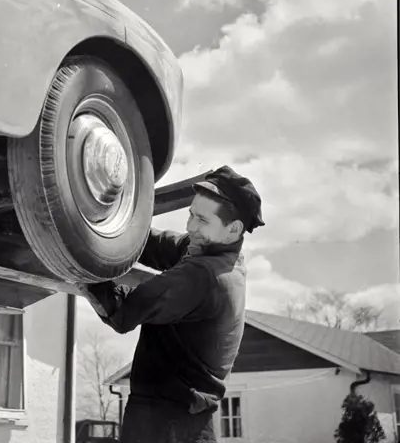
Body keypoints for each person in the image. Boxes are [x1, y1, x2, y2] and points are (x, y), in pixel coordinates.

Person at [80, 165, 265, 443]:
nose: (191, 227)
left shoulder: (206, 277)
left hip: (169, 426)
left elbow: (122, 311)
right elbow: (151, 244)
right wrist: (106, 221)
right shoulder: (215, 254)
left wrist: (72, 255)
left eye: (202, 220)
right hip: (176, 420)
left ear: (233, 230)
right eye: (190, 214)